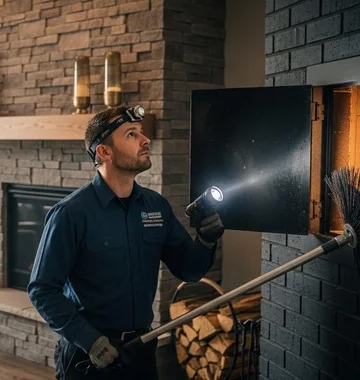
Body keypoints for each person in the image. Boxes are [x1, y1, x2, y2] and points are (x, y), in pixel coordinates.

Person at [27, 105, 226, 379]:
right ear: (104, 152)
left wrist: (206, 240)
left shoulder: (155, 206)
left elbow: (189, 270)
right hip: (89, 358)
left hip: (141, 351)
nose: (146, 140)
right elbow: (42, 290)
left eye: (141, 132)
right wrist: (90, 341)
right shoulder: (71, 214)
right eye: (132, 134)